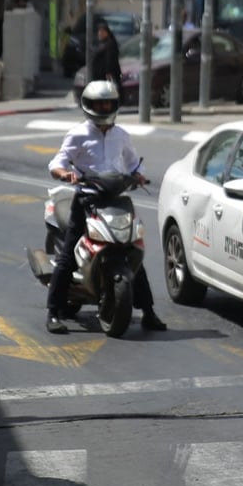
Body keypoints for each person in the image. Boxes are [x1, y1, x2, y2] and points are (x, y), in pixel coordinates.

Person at [45, 80, 166, 334]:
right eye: (99, 104)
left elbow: (134, 163)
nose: (103, 108)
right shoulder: (78, 134)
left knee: (132, 252)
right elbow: (58, 161)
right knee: (67, 256)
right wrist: (64, 174)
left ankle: (148, 312)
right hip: (87, 200)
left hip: (117, 199)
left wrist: (139, 175)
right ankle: (53, 312)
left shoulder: (121, 135)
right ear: (88, 106)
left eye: (108, 103)